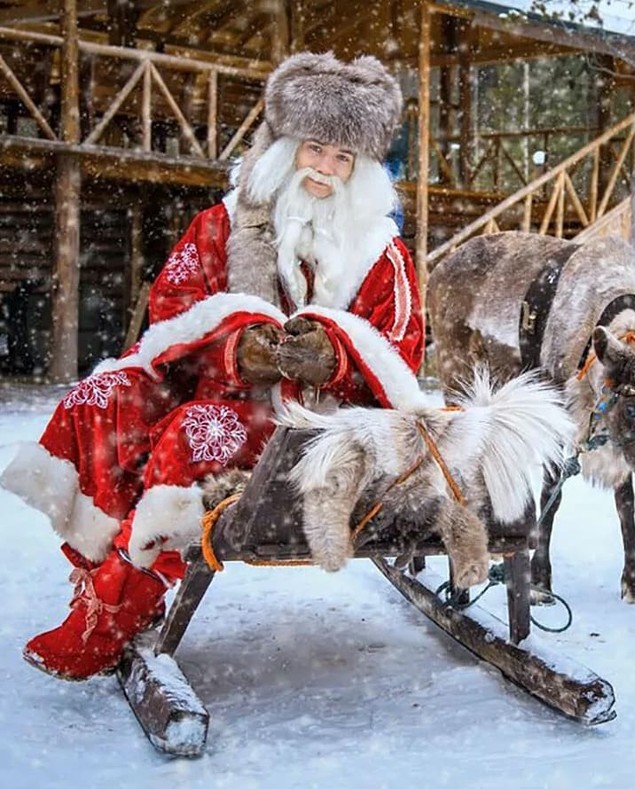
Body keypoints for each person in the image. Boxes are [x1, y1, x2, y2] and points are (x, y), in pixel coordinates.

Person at [0, 51, 426, 681]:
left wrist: (333, 356)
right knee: (102, 398)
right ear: (286, 148)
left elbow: (400, 349)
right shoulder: (222, 225)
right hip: (221, 389)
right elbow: (171, 310)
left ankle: (117, 606)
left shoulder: (380, 254)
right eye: (315, 150)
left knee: (192, 435)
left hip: (320, 425)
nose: (327, 170)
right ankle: (103, 573)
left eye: (343, 158)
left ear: (361, 170)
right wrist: (237, 347)